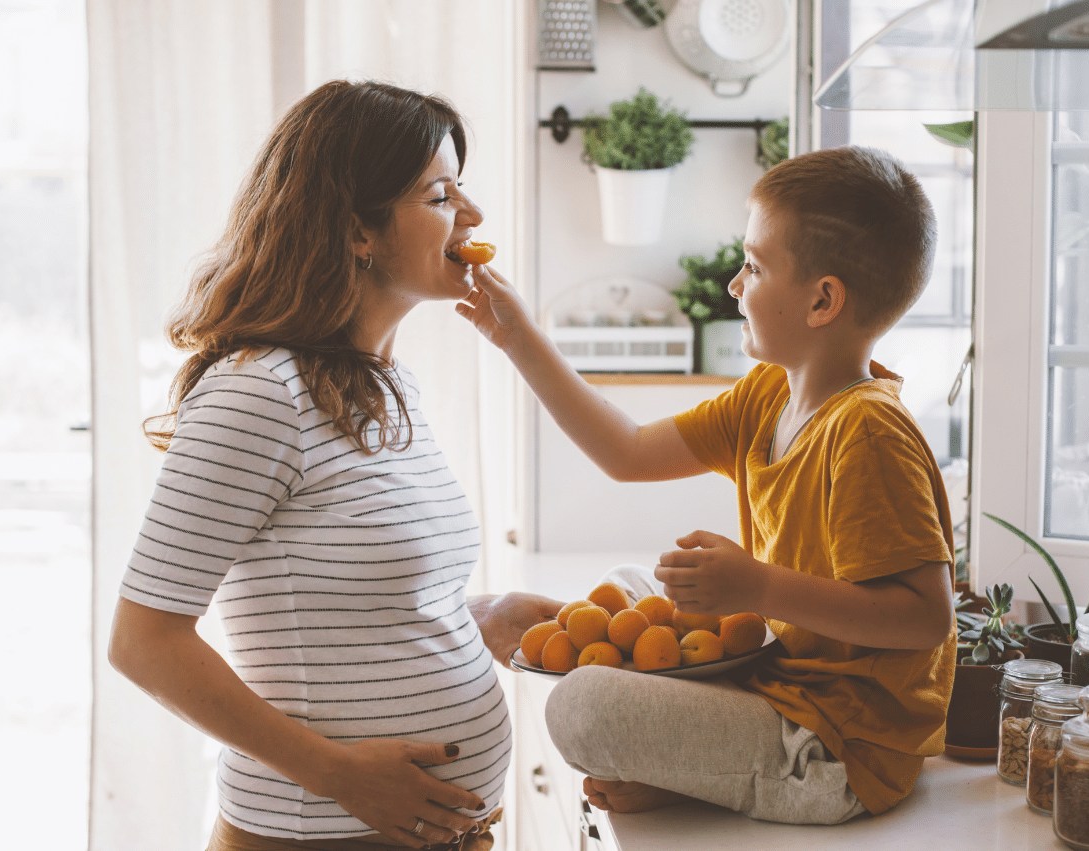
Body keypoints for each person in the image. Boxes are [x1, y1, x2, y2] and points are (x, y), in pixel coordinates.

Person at [108, 80, 560, 851]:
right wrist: (335, 772)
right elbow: (144, 640)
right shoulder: (258, 391)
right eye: (442, 195)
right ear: (359, 230)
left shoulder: (390, 387)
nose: (474, 217)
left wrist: (469, 617)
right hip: (314, 834)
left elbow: (342, 595)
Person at [457, 146, 956, 823]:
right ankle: (676, 751)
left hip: (836, 747)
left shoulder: (867, 430)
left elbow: (925, 617)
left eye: (753, 266)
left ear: (821, 300)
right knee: (634, 583)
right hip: (782, 683)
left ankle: (698, 774)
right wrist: (515, 336)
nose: (733, 284)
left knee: (580, 707)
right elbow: (626, 451)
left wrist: (759, 586)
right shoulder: (767, 396)